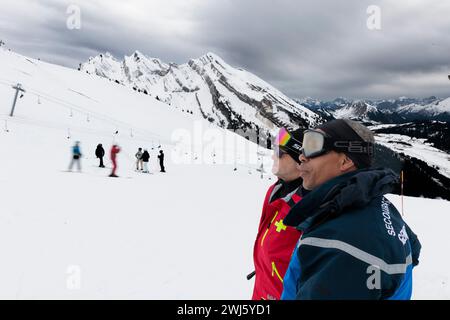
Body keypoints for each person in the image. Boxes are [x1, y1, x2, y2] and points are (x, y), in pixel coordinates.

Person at [280, 119, 421, 300]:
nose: (301, 156)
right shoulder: (376, 204)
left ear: (345, 161)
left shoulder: (345, 247)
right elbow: (411, 252)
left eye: (313, 144)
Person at [251, 128, 307, 300]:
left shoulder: (308, 206)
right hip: (262, 287)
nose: (273, 156)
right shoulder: (275, 190)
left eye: (280, 152)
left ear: (300, 161)